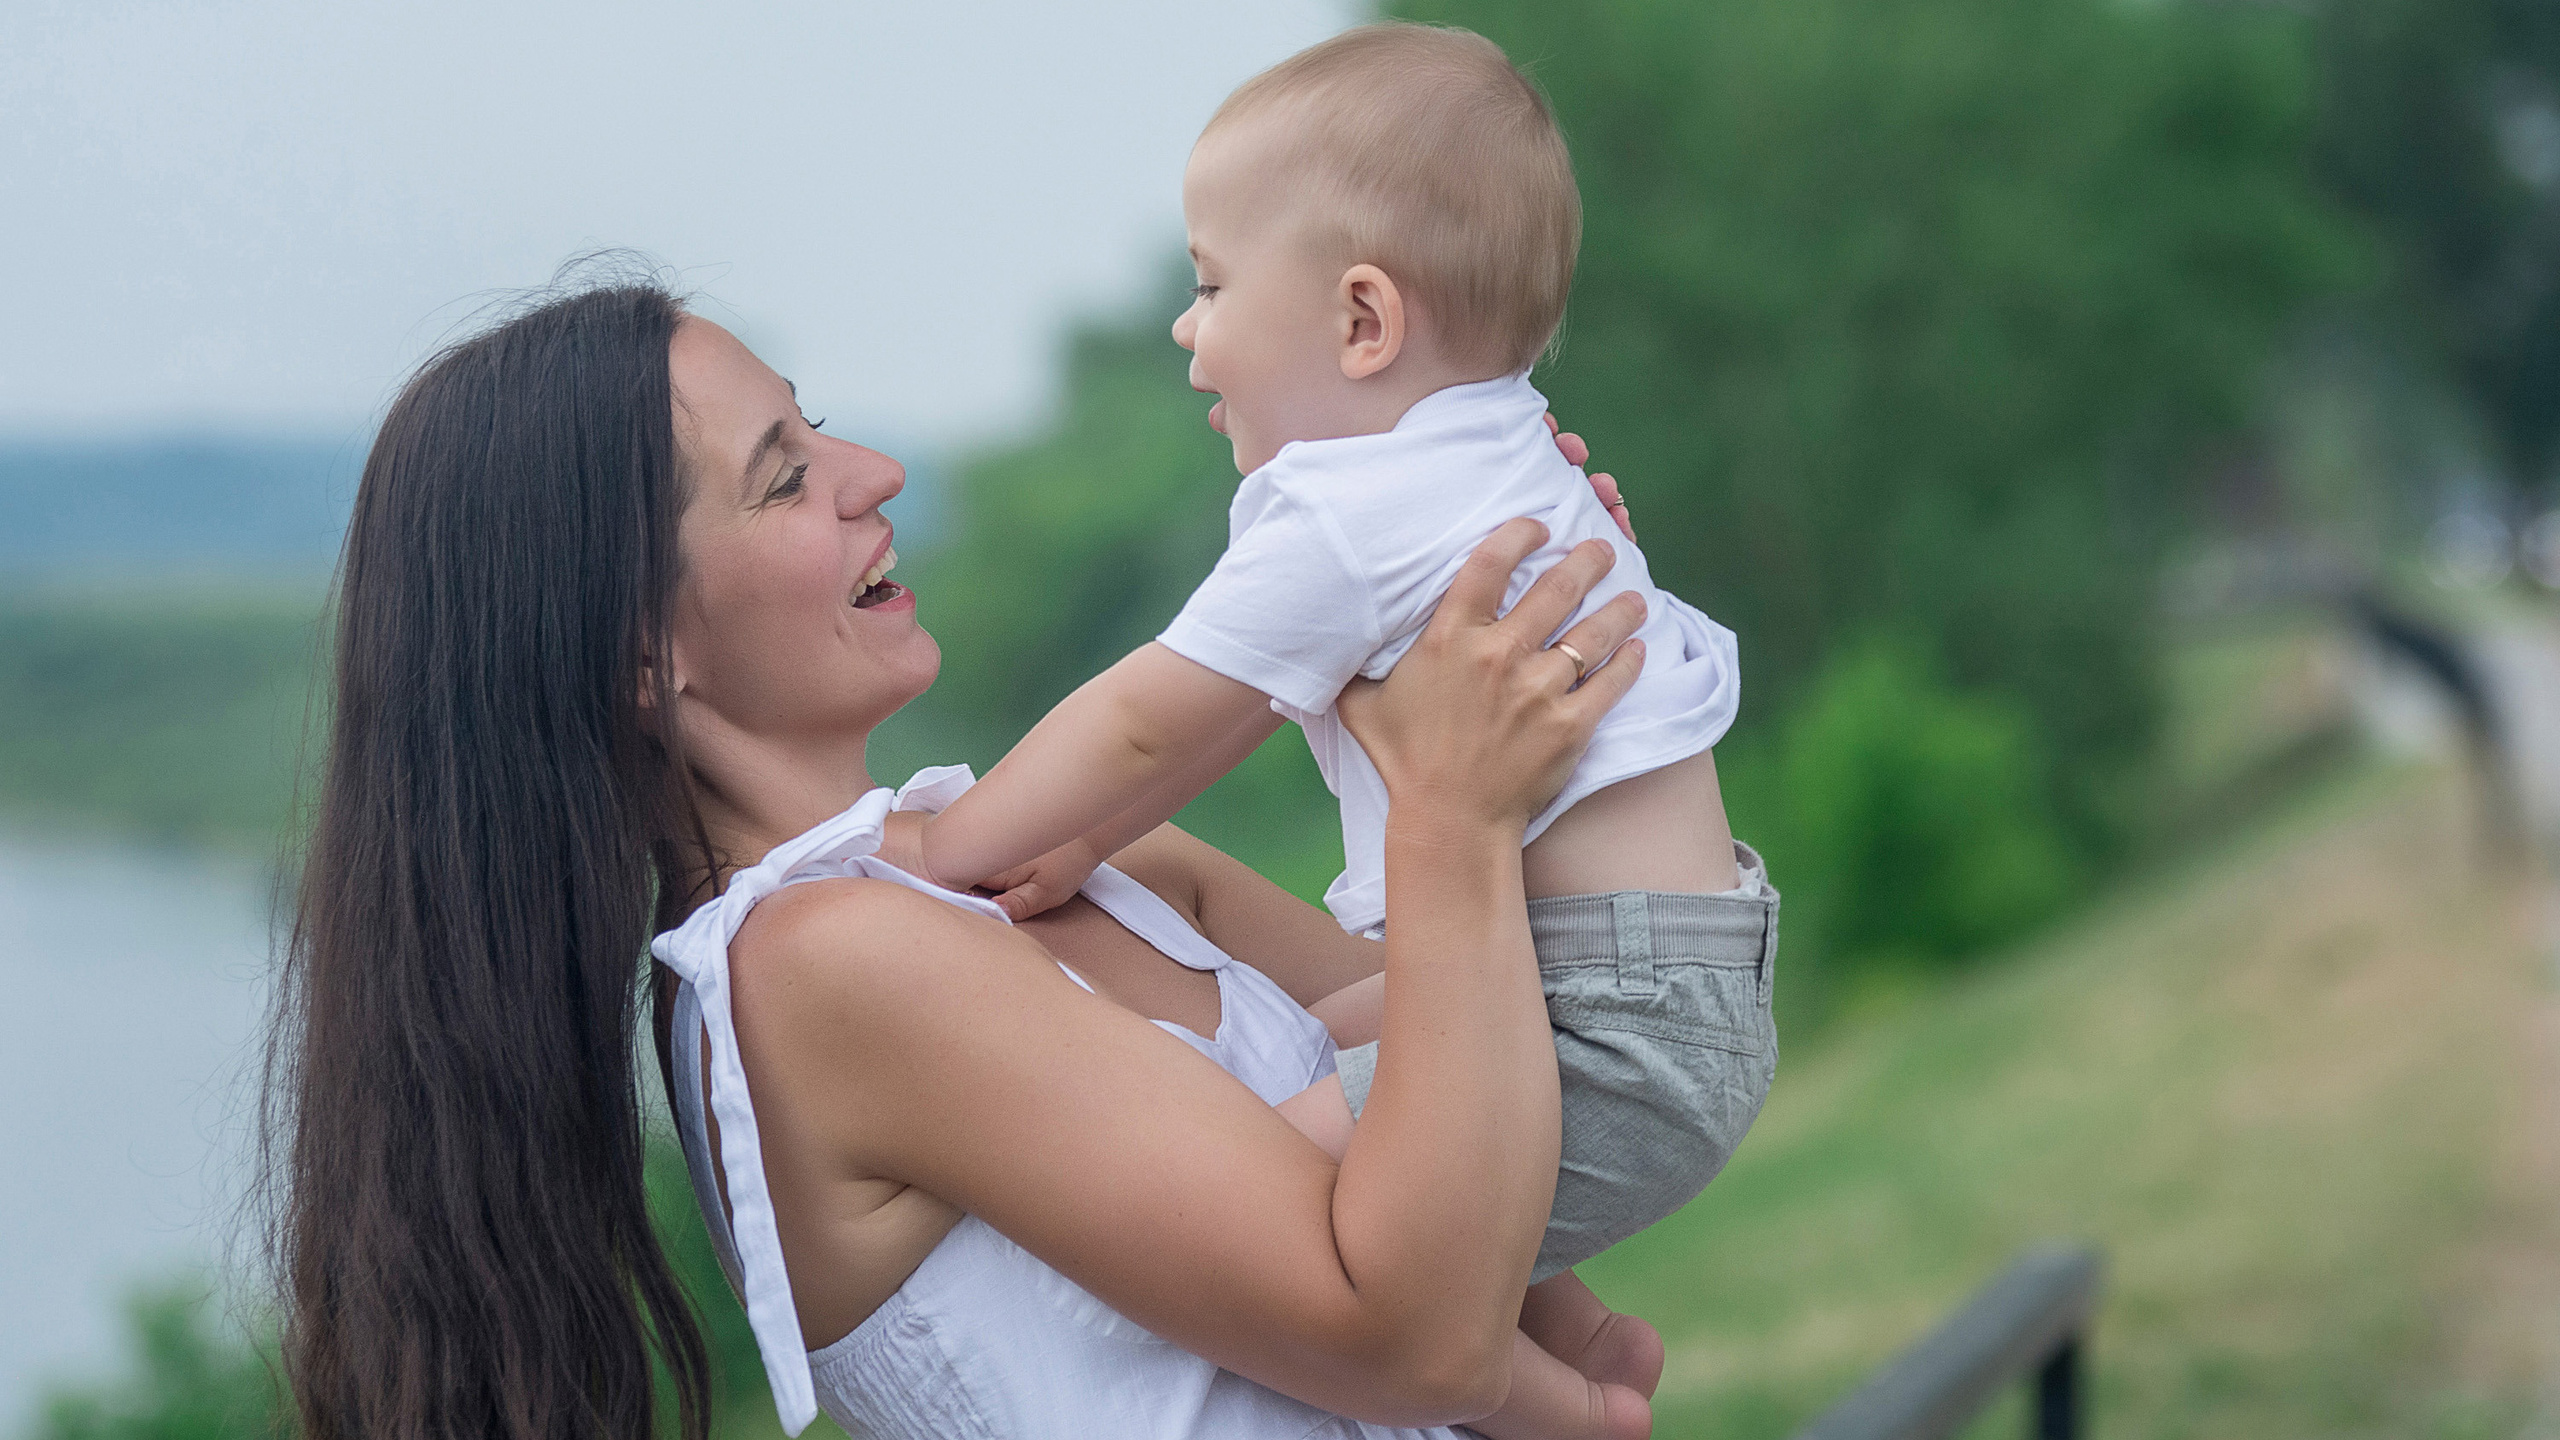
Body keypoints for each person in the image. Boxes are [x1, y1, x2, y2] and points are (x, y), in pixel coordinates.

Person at [265, 275, 1665, 1440]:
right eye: (784, 480)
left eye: (819, 431)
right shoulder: (820, 968)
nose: (875, 477)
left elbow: (1517, 1093)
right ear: (646, 655)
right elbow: (1412, 1335)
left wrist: (1520, 633)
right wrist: (1449, 816)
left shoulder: (1066, 861)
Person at [894, 26, 1778, 1438]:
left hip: (1606, 1019)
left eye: (1212, 285)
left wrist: (953, 846)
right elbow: (1199, 740)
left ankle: (1558, 1409)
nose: (1189, 331)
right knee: (1306, 1047)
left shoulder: (1347, 512)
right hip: (1664, 974)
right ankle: (1589, 1338)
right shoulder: (1499, 449)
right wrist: (1073, 848)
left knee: (1287, 1207)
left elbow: (1146, 720)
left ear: (1362, 322)